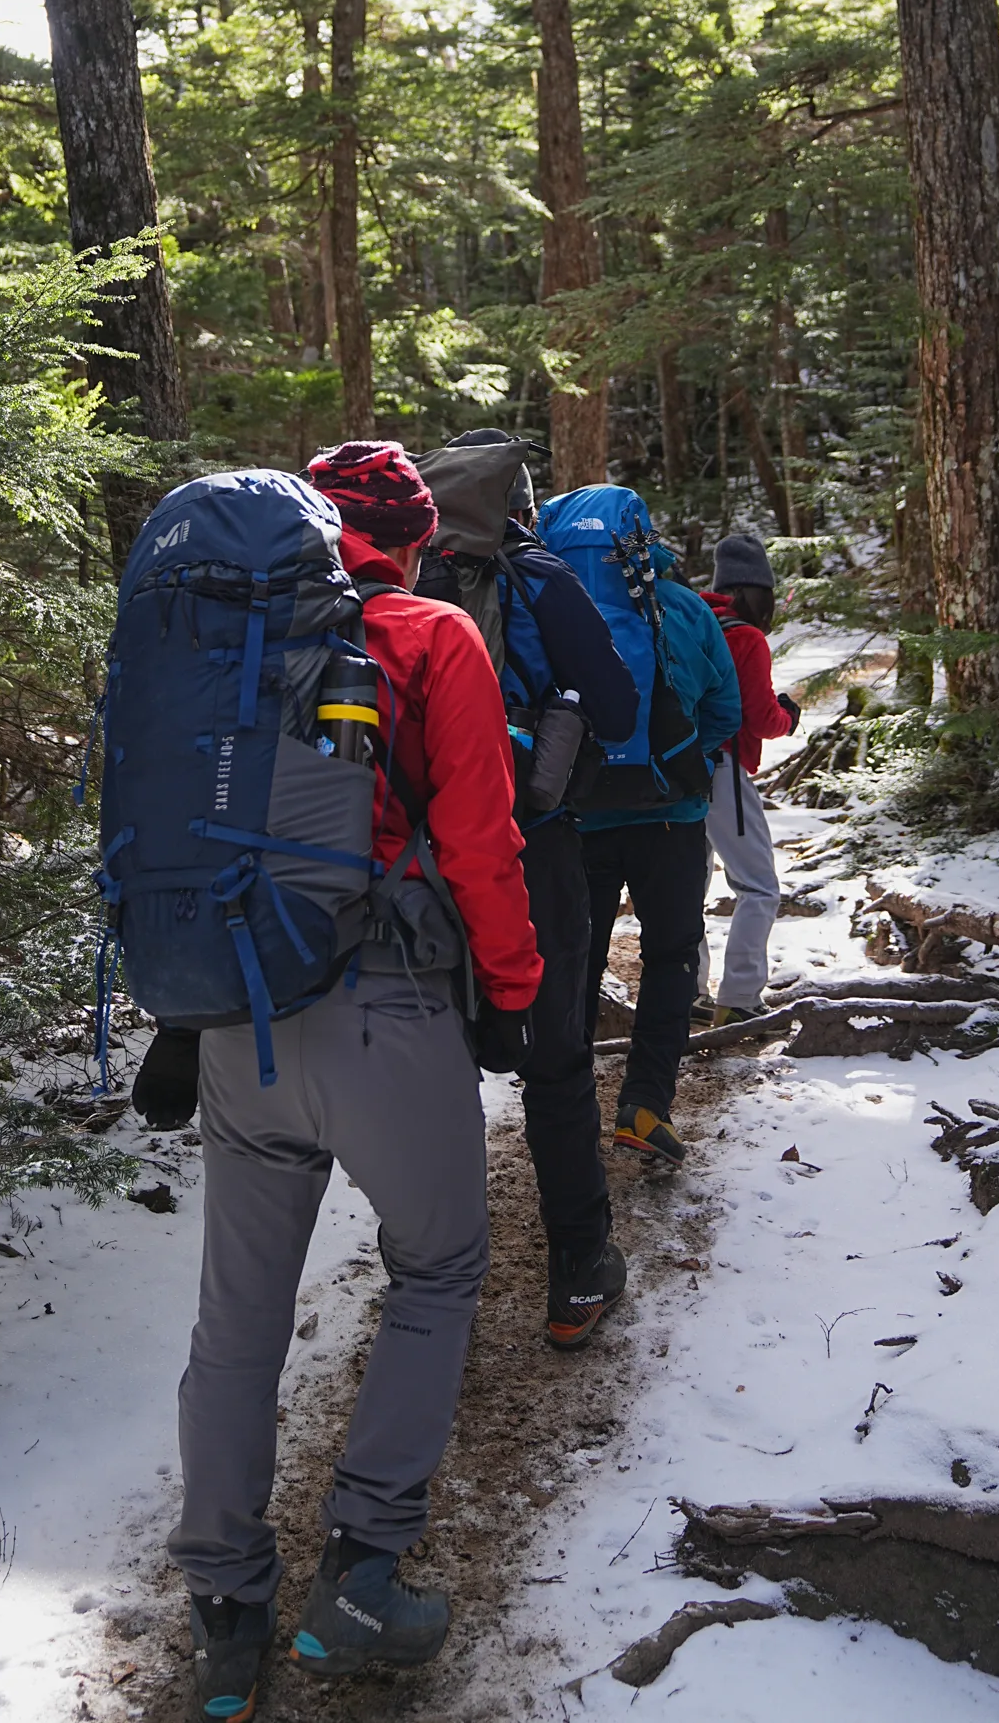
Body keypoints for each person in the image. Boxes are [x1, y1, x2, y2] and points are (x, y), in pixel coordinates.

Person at [166, 440, 541, 1716]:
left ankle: (225, 1608)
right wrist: (517, 993)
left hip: (239, 1023)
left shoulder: (227, 638)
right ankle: (362, 1576)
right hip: (382, 1011)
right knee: (438, 1267)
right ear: (417, 539)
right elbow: (485, 843)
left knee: (238, 1321)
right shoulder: (432, 635)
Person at [425, 429, 641, 1351]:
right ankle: (577, 1275)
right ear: (517, 501)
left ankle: (435, 1291)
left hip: (415, 856)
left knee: (436, 1071)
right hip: (531, 842)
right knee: (556, 1065)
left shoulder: (396, 580)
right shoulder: (540, 576)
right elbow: (621, 708)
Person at [548, 487, 740, 1169]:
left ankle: (566, 1116)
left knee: (579, 959)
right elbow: (725, 705)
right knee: (669, 960)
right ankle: (645, 1107)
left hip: (582, 817)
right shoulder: (683, 608)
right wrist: (687, 762)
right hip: (673, 820)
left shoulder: (549, 606)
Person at [701, 532, 802, 1024]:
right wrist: (788, 715)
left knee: (688, 886)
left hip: (676, 772)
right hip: (722, 771)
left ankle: (686, 992)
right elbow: (760, 718)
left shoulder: (695, 621)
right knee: (759, 886)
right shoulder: (746, 638)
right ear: (757, 591)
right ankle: (739, 998)